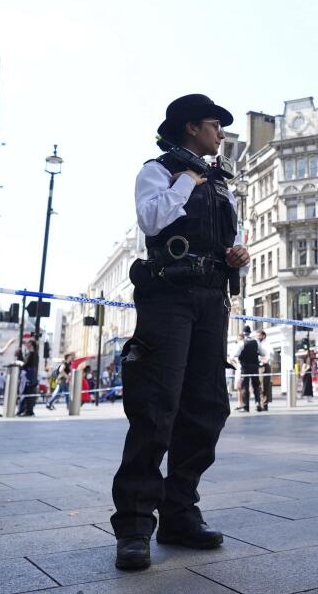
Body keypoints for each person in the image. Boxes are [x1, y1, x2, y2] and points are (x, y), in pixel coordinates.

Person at [111, 94, 249, 572]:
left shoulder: (221, 184)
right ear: (191, 128)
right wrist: (187, 180)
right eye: (215, 125)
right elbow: (152, 220)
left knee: (207, 405)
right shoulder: (160, 171)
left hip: (213, 299)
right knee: (155, 406)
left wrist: (237, 254)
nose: (221, 135)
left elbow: (227, 237)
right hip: (168, 297)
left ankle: (180, 512)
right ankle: (132, 526)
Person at [231, 328, 264, 413]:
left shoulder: (241, 343)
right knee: (256, 385)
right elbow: (263, 353)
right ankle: (258, 404)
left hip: (245, 367)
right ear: (250, 333)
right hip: (254, 366)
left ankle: (246, 406)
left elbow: (234, 354)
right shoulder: (256, 342)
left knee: (245, 386)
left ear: (243, 333)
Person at [16, 339, 40, 416]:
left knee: (25, 393)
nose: (27, 346)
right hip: (33, 377)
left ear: (31, 345)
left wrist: (19, 362)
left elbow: (25, 364)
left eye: (28, 345)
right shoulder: (35, 354)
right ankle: (29, 410)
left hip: (27, 377)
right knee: (30, 394)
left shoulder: (31, 354)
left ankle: (24, 410)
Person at [256, 329, 273, 408]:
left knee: (265, 385)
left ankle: (264, 404)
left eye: (259, 336)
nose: (258, 337)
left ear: (263, 336)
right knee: (259, 385)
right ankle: (260, 403)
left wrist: (265, 359)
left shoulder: (267, 344)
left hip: (265, 366)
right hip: (258, 366)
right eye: (257, 336)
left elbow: (269, 355)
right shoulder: (256, 344)